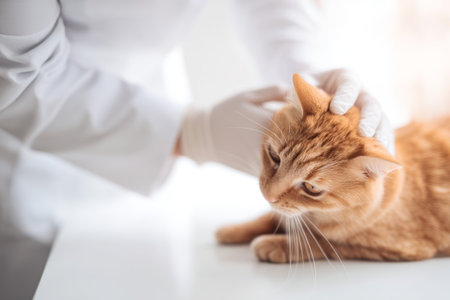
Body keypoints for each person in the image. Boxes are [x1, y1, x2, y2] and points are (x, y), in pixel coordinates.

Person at [0, 0, 393, 298]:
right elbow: (17, 74)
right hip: (39, 150)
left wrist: (307, 68)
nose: (270, 193)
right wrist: (191, 131)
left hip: (159, 126)